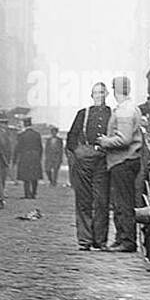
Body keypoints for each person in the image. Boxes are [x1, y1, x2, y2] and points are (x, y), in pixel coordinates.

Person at [96, 75, 144, 253]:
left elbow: (124, 139)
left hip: (122, 161)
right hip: (126, 161)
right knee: (120, 202)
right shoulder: (130, 108)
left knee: (122, 203)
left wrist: (104, 141)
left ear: (116, 90)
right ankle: (121, 238)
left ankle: (127, 240)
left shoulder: (124, 110)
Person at [65, 82, 112, 250]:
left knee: (102, 200)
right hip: (84, 160)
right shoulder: (83, 114)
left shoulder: (112, 114)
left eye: (101, 92)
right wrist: (79, 152)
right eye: (95, 93)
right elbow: (71, 138)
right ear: (91, 96)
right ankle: (84, 241)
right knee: (83, 200)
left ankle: (100, 241)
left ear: (106, 95)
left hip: (104, 160)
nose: (99, 95)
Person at [14, 119, 45, 199]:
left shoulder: (21, 135)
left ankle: (27, 194)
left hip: (25, 156)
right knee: (35, 176)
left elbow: (18, 148)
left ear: (24, 124)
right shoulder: (37, 134)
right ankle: (34, 193)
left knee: (26, 177)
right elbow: (40, 148)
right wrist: (39, 157)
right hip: (35, 156)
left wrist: (15, 158)